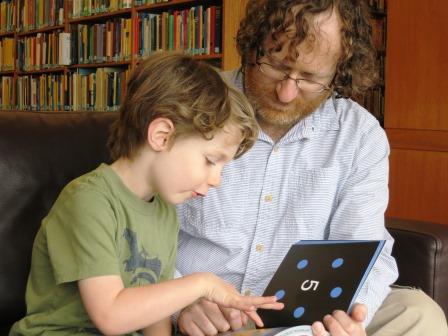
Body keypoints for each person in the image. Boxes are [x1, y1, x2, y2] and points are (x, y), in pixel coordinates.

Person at [175, 1, 448, 335]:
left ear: (339, 72)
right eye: (275, 66)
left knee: (419, 314)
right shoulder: (192, 103)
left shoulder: (360, 135)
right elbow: (131, 228)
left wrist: (349, 319)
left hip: (305, 317)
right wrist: (178, 300)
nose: (287, 93)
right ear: (252, 46)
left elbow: (363, 249)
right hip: (211, 314)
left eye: (310, 78)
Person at [9, 52, 284, 336]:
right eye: (211, 161)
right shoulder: (87, 201)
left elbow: (155, 312)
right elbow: (111, 315)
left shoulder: (164, 211)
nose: (217, 180)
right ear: (162, 136)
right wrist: (202, 284)